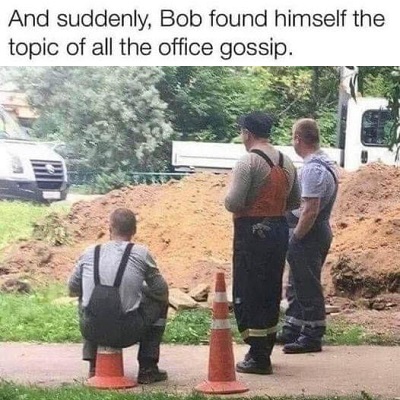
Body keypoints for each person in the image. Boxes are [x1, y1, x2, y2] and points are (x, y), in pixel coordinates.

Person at [225, 111, 301, 375]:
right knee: (269, 289)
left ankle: (257, 357)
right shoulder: (287, 160)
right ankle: (265, 347)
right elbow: (294, 202)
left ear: (247, 133)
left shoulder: (248, 162)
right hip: (278, 230)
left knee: (249, 290)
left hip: (252, 233)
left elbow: (233, 202)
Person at [68, 208, 169, 384]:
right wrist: (140, 289)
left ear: (110, 228)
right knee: (161, 303)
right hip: (127, 332)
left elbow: (72, 288)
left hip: (92, 329)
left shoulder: (89, 252)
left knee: (84, 295)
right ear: (134, 230)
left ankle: (94, 366)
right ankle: (147, 367)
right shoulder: (141, 253)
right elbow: (161, 291)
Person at [278, 118, 338, 354]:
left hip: (309, 233)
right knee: (296, 282)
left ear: (298, 139)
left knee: (307, 284)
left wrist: (296, 238)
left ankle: (312, 334)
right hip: (314, 231)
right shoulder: (324, 162)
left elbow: (310, 209)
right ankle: (294, 327)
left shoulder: (313, 169)